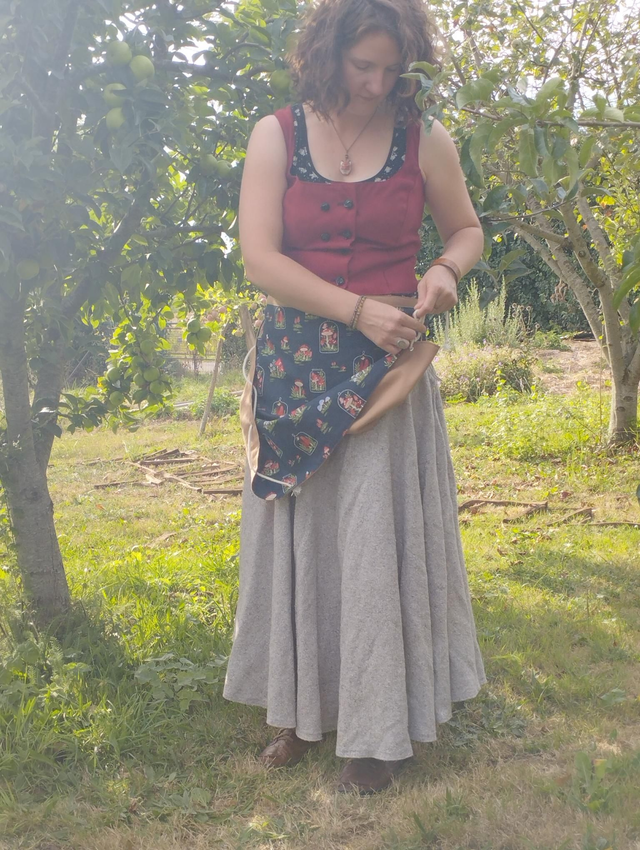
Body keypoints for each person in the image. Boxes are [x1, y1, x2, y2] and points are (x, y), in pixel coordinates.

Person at [223, 0, 487, 794]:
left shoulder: (424, 137)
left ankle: (375, 735)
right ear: (327, 52)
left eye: (392, 69)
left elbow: (467, 230)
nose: (377, 84)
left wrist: (444, 268)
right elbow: (261, 260)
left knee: (372, 548)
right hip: (294, 372)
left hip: (387, 374)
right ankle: (300, 707)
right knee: (300, 543)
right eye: (362, 65)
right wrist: (355, 310)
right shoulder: (276, 134)